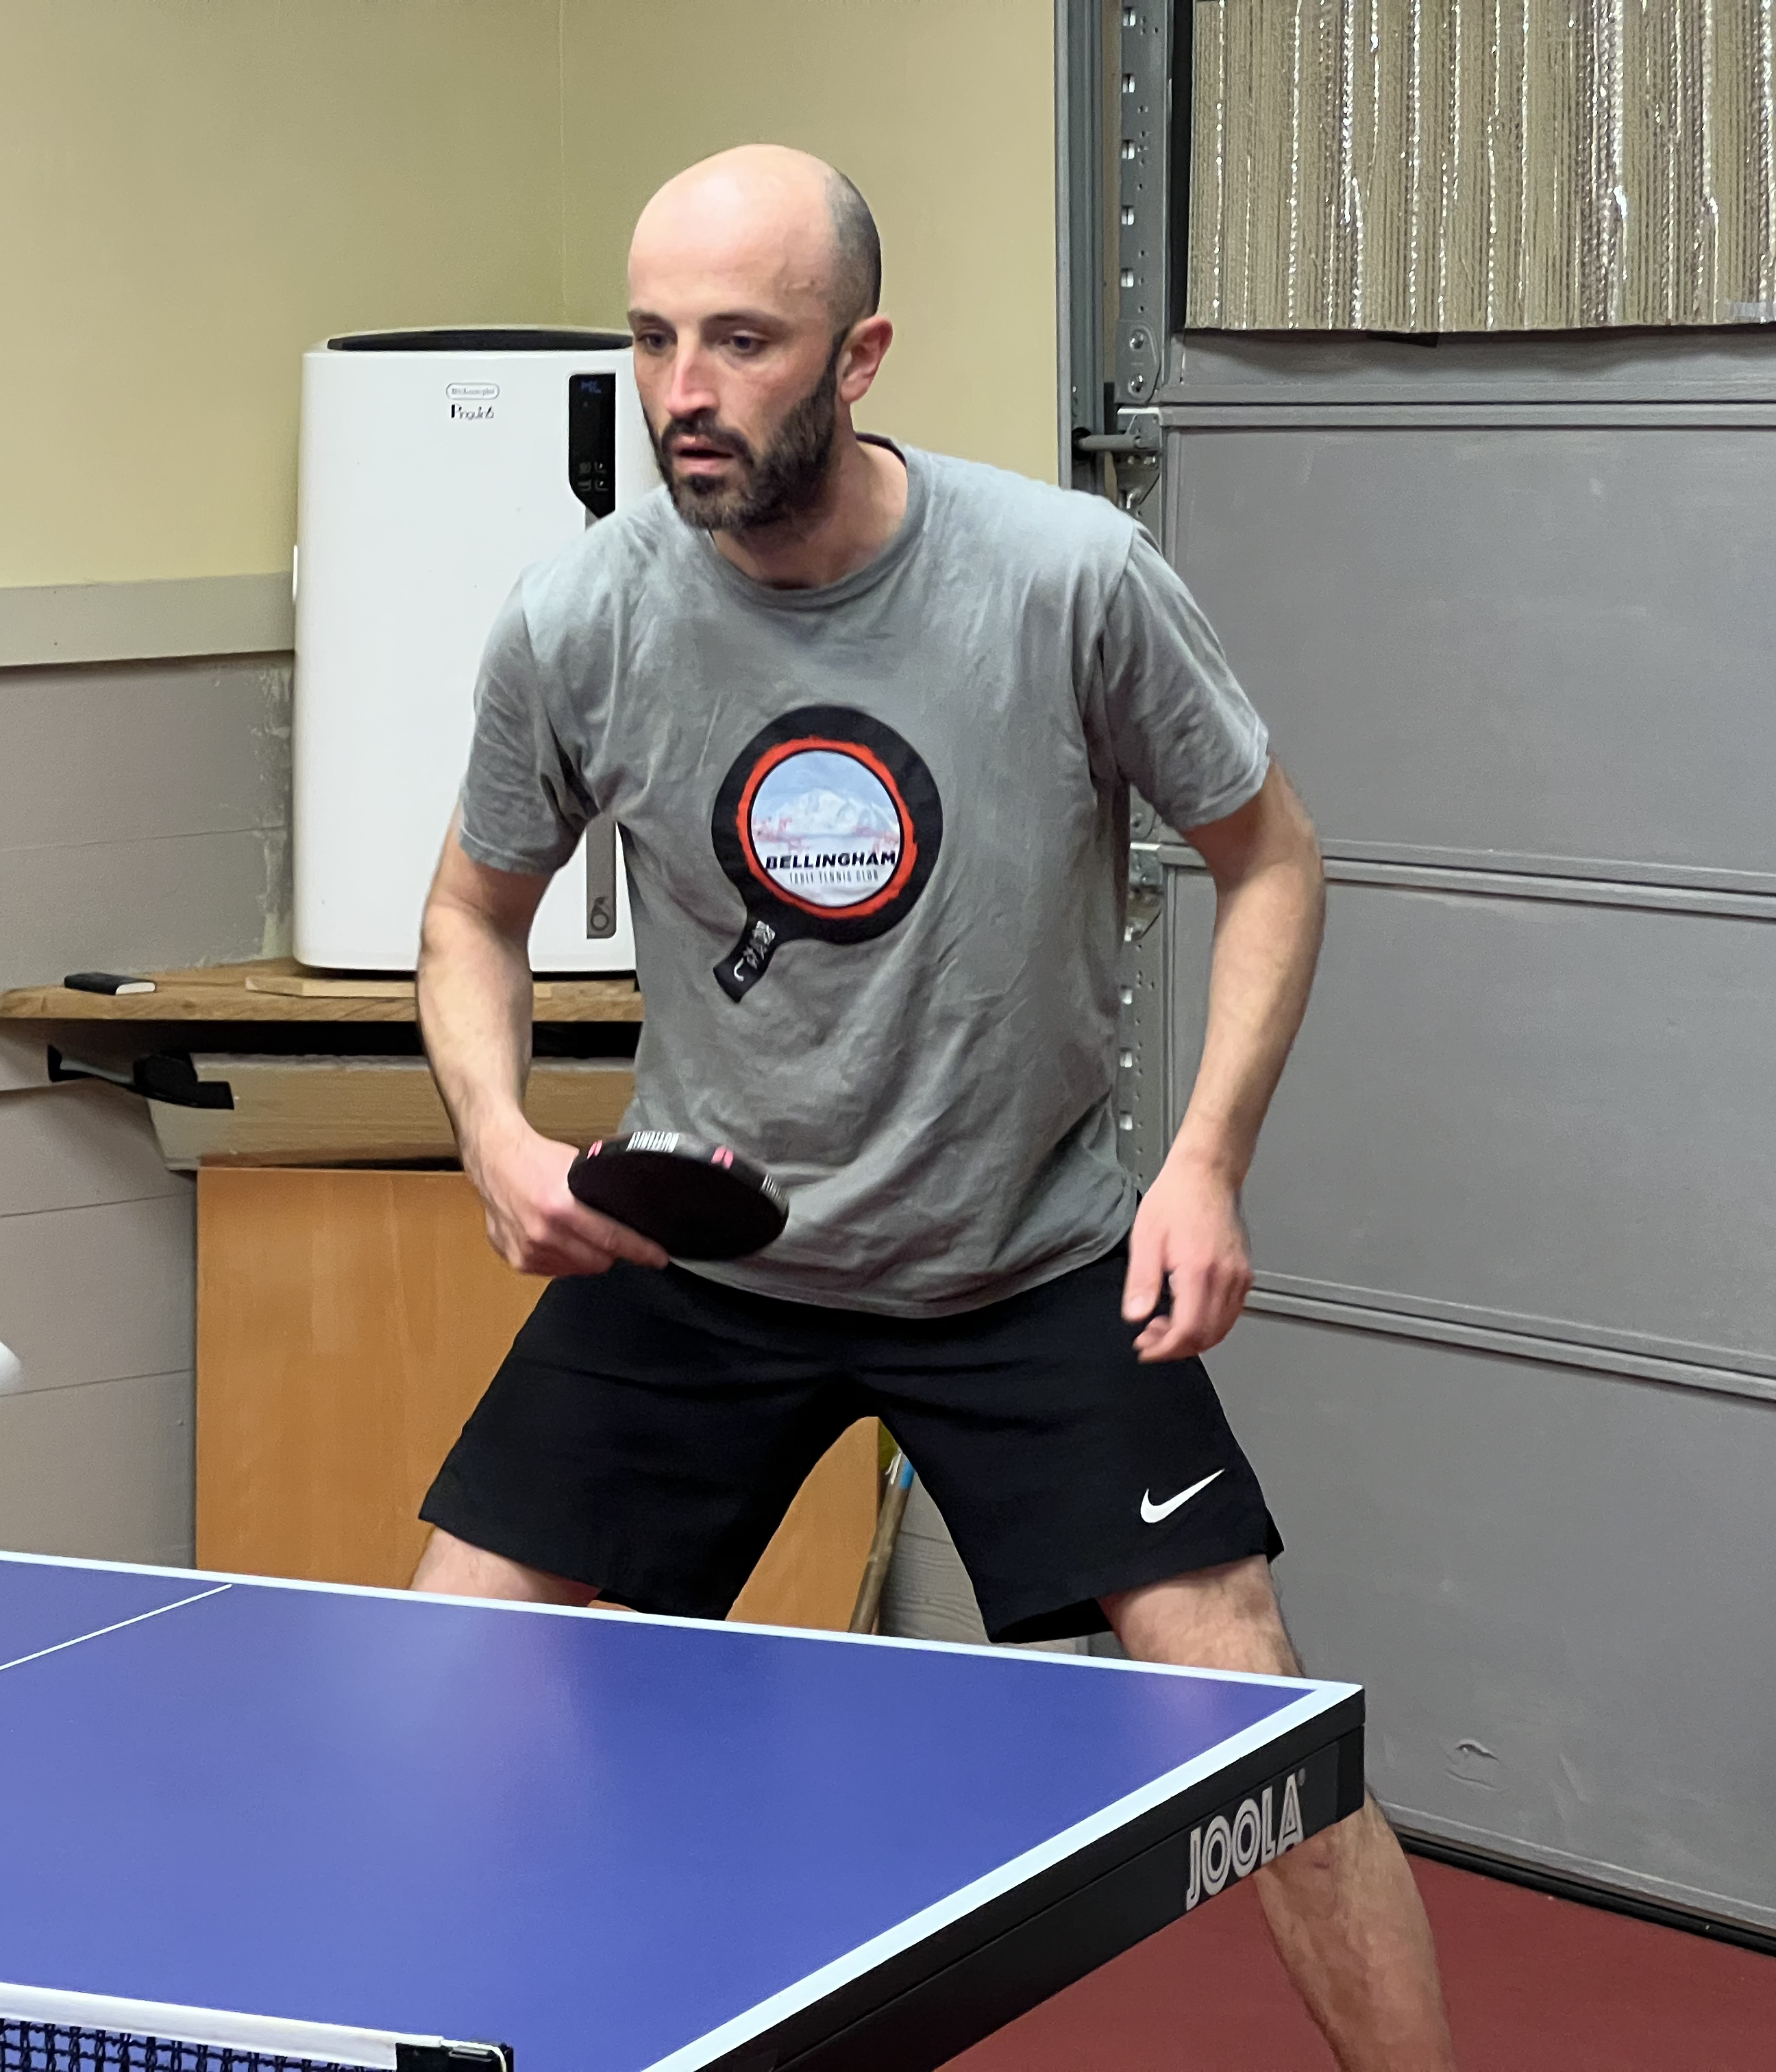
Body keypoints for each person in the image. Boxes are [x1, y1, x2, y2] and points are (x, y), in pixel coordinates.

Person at [409, 145, 1457, 2069]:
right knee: (443, 1682)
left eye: (738, 340)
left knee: (1263, 1740)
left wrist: (1205, 1165)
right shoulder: (578, 618)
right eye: (651, 341)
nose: (682, 393)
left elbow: (1275, 858)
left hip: (1026, 1255)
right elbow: (470, 913)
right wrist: (496, 1132)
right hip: (701, 1253)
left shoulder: (1068, 577)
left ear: (861, 353)